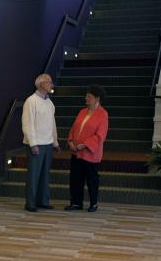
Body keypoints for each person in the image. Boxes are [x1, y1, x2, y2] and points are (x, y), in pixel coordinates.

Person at [64, 84, 109, 212]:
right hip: (76, 152)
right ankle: (76, 203)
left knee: (92, 180)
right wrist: (71, 141)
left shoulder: (103, 114)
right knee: (75, 178)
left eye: (89, 96)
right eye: (86, 96)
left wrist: (85, 144)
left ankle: (93, 203)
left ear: (97, 98)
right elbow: (73, 129)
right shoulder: (82, 111)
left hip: (90, 153)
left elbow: (100, 135)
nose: (86, 98)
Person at [21, 73, 61, 212]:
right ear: (42, 84)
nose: (51, 85)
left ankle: (43, 201)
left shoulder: (49, 102)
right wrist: (33, 143)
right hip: (36, 145)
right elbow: (27, 124)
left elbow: (52, 124)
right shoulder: (31, 101)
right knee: (34, 175)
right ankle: (30, 203)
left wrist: (55, 142)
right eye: (49, 82)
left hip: (48, 143)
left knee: (44, 175)